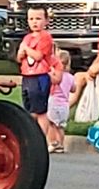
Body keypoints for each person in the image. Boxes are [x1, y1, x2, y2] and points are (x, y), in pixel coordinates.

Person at [17, 10, 64, 149]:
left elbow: (38, 56)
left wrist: (26, 49)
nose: (34, 22)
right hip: (27, 75)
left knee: (40, 110)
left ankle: (40, 138)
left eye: (38, 18)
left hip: (40, 76)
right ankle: (30, 135)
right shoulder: (27, 38)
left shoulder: (45, 37)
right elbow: (19, 57)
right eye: (31, 18)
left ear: (46, 21)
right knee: (29, 109)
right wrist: (22, 51)